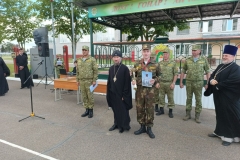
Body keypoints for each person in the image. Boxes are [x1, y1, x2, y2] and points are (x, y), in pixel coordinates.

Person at [204, 45, 240, 146]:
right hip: (219, 95)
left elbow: (233, 82)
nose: (224, 57)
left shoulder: (236, 68)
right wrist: (211, 81)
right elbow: (212, 75)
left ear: (233, 56)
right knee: (220, 114)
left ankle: (229, 137)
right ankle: (219, 132)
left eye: (227, 55)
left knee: (228, 116)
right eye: (224, 55)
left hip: (229, 97)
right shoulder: (220, 66)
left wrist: (217, 85)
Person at [132, 44, 161, 139]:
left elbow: (160, 75)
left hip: (150, 91)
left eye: (147, 51)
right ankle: (142, 126)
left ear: (150, 52)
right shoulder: (137, 64)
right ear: (142, 52)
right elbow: (133, 74)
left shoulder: (155, 64)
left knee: (149, 109)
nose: (146, 53)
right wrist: (133, 79)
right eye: (144, 51)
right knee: (140, 108)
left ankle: (149, 128)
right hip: (140, 90)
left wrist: (155, 80)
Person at [180, 44, 210, 123]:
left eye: (195, 50)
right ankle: (188, 114)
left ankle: (197, 116)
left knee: (198, 99)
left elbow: (207, 72)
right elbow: (183, 71)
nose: (193, 52)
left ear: (199, 51)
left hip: (199, 83)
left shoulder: (203, 60)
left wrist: (208, 83)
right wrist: (181, 82)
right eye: (192, 50)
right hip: (189, 82)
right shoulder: (188, 60)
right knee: (188, 99)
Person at [106, 50, 132, 133]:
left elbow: (127, 83)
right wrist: (109, 93)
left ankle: (123, 126)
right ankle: (116, 124)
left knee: (123, 111)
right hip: (113, 93)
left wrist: (124, 95)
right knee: (115, 110)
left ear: (120, 58)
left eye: (117, 57)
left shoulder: (125, 69)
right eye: (114, 57)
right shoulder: (111, 68)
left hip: (121, 94)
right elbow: (109, 81)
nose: (116, 59)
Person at [76, 45, 98, 118]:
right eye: (83, 50)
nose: (84, 51)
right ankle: (86, 110)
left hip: (89, 81)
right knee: (84, 96)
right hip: (82, 81)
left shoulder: (92, 59)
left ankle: (91, 110)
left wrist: (94, 80)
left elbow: (95, 70)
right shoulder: (79, 60)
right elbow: (77, 71)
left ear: (88, 51)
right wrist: (77, 80)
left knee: (90, 96)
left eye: (85, 50)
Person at [156, 47, 178, 118]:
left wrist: (173, 83)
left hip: (169, 83)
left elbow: (175, 74)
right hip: (161, 83)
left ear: (169, 54)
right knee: (161, 97)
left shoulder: (173, 63)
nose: (165, 55)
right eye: (164, 54)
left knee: (170, 98)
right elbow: (157, 74)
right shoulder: (159, 63)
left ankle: (170, 112)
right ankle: (161, 110)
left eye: (166, 54)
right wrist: (158, 82)